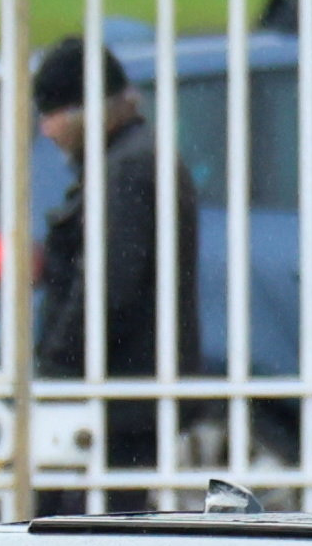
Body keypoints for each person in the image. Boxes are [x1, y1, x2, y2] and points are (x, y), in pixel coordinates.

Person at [30, 36, 209, 506]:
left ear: (89, 110)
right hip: (120, 399)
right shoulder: (127, 160)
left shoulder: (129, 168)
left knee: (87, 533)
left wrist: (57, 365)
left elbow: (111, 288)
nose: (46, 130)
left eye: (52, 114)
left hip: (119, 400)